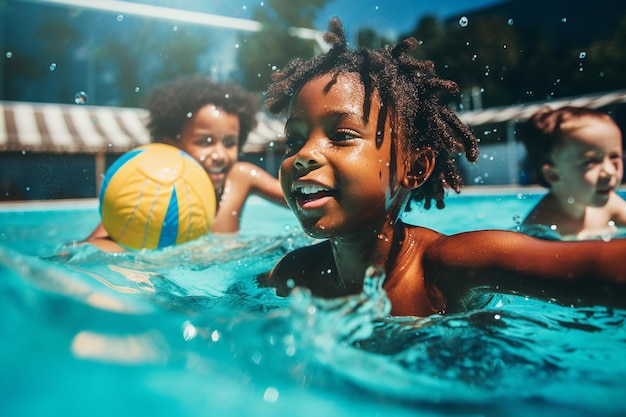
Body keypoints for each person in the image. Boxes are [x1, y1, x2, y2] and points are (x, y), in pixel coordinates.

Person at [262, 18, 626, 317]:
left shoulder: (449, 268)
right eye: (293, 142)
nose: (303, 156)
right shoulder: (296, 273)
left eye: (341, 135)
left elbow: (596, 269)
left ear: (415, 167)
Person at [86, 75, 286, 249]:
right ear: (171, 145)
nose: (219, 154)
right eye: (205, 142)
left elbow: (300, 199)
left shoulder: (239, 178)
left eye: (229, 143)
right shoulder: (153, 190)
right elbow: (93, 245)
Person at [520, 106, 626, 240]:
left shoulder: (611, 205)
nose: (609, 172)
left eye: (614, 156)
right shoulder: (540, 228)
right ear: (553, 175)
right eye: (591, 162)